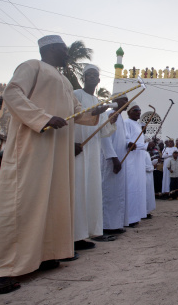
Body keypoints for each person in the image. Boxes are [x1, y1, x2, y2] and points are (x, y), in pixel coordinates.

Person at [0, 35, 102, 294]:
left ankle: (46, 254)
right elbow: (12, 93)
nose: (66, 51)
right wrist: (43, 118)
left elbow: (79, 114)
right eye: (62, 47)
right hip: (33, 146)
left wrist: (102, 111)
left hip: (57, 152)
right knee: (23, 202)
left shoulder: (65, 82)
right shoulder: (31, 67)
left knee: (53, 201)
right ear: (49, 48)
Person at [73, 65, 117, 251]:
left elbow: (102, 130)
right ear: (83, 78)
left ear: (99, 80)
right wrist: (70, 143)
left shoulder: (97, 100)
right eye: (88, 74)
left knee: (89, 191)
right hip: (77, 148)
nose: (92, 77)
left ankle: (83, 234)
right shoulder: (75, 94)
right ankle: (72, 235)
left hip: (92, 151)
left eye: (95, 75)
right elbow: (71, 118)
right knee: (76, 191)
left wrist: (112, 118)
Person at [101, 94, 129, 234]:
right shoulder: (109, 114)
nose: (127, 102)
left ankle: (115, 224)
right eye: (124, 99)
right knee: (108, 192)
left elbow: (122, 139)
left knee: (117, 193)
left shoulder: (121, 119)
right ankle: (106, 226)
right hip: (110, 161)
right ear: (115, 101)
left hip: (120, 159)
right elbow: (105, 138)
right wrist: (113, 158)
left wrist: (129, 144)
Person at [124, 103, 154, 226]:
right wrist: (146, 146)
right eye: (136, 110)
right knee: (131, 188)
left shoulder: (137, 125)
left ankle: (136, 216)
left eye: (140, 110)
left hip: (139, 161)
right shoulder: (126, 123)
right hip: (131, 161)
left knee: (138, 189)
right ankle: (129, 218)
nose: (139, 112)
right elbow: (127, 142)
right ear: (129, 112)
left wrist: (147, 145)